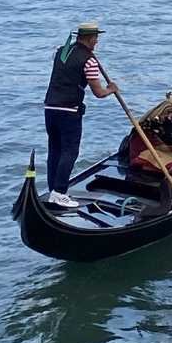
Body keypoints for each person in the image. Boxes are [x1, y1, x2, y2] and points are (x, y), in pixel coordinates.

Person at [43, 21, 119, 208]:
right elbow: (99, 93)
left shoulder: (60, 51)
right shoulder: (89, 61)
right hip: (69, 110)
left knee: (55, 150)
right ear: (90, 38)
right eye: (96, 39)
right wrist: (111, 88)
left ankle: (53, 189)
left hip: (50, 108)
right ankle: (60, 193)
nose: (97, 42)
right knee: (70, 151)